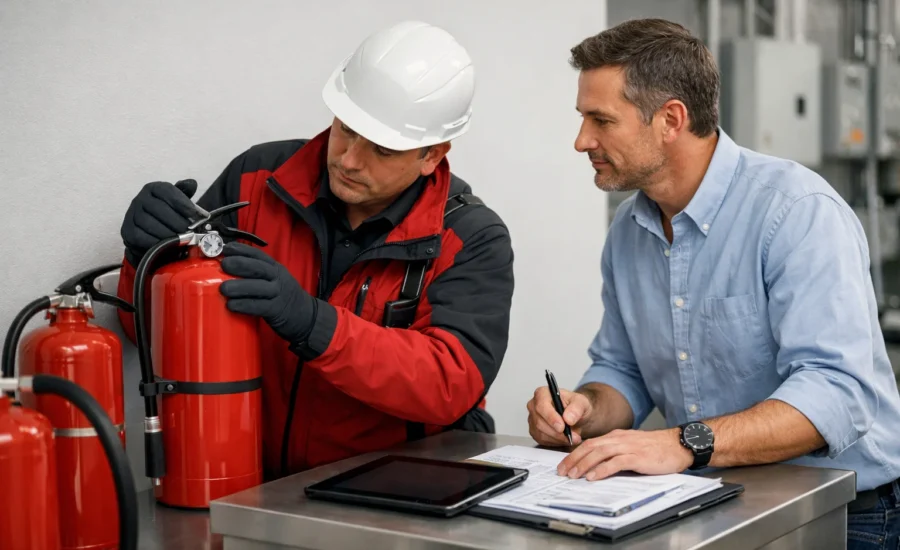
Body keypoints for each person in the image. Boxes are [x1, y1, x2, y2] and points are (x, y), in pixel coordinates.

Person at [526, 18, 900, 548]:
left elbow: (837, 393)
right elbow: (623, 370)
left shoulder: (796, 211)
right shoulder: (627, 231)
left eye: (600, 120)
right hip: (710, 501)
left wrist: (682, 443)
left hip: (845, 513)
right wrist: (582, 409)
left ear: (671, 120)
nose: (582, 140)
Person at [116, 20, 514, 480]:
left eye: (382, 149)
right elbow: (156, 334)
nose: (349, 159)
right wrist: (145, 260)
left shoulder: (471, 237)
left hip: (389, 494)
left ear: (432, 155)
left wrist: (312, 323)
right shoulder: (255, 181)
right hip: (252, 484)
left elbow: (450, 383)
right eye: (346, 128)